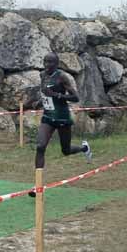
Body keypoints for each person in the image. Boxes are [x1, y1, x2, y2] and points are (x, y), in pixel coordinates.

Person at [28, 54, 91, 195]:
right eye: (45, 61)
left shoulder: (62, 77)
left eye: (50, 62)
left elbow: (75, 97)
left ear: (57, 64)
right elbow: (45, 93)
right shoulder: (42, 75)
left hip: (62, 117)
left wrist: (57, 95)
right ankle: (37, 185)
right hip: (48, 116)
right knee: (40, 146)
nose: (47, 64)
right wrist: (40, 101)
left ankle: (84, 148)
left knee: (66, 150)